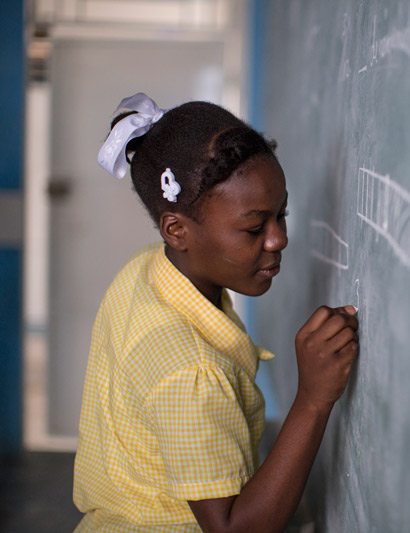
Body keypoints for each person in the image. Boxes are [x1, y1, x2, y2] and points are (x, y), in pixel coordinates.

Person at [73, 93, 359, 532]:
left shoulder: (145, 269)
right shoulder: (189, 372)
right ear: (177, 230)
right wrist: (312, 400)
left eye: (281, 214)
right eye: (253, 227)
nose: (278, 239)